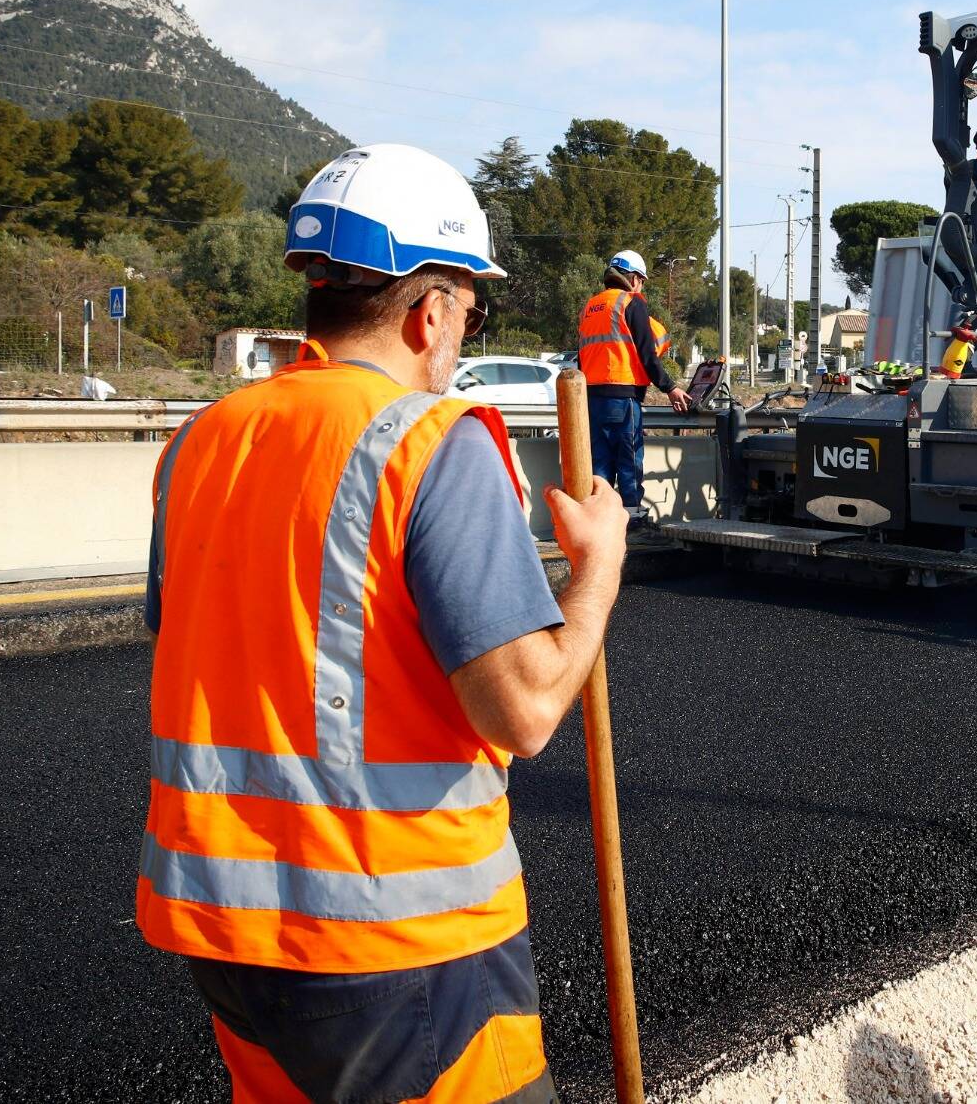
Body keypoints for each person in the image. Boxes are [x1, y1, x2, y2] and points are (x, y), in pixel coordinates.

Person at [138, 142, 630, 1104]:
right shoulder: (430, 443)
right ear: (431, 309)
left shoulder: (199, 444)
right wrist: (599, 570)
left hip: (223, 934)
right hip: (400, 939)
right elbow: (524, 711)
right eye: (470, 311)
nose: (462, 337)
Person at [577, 250, 691, 526]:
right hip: (623, 398)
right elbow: (647, 355)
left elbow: (582, 356)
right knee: (628, 459)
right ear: (635, 278)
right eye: (642, 281)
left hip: (592, 398)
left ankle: (600, 523)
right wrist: (671, 388)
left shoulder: (590, 306)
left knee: (600, 463)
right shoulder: (631, 302)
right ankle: (633, 522)